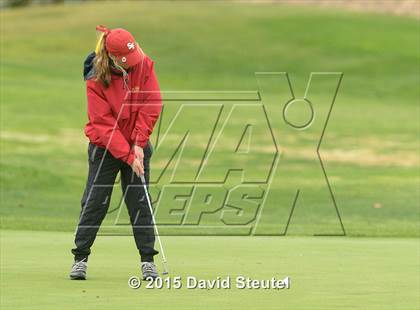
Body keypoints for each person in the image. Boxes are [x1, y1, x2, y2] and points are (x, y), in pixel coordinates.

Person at [69, 25, 162, 280]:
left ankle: (147, 261)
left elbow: (152, 103)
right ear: (111, 57)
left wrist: (139, 143)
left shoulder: (143, 64)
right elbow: (103, 124)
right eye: (127, 61)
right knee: (96, 201)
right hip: (105, 148)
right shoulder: (95, 78)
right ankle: (80, 258)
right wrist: (129, 154)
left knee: (139, 202)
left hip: (136, 145)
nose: (133, 64)